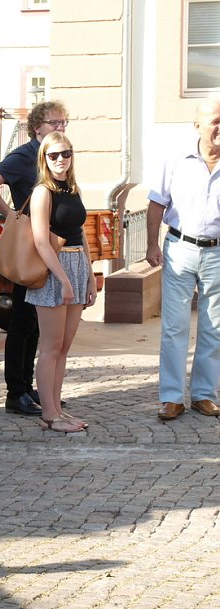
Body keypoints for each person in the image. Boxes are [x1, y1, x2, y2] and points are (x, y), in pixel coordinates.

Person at [0, 101, 69, 417]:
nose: (61, 128)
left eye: (64, 122)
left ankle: (30, 389)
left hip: (50, 249)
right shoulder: (24, 156)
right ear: (37, 127)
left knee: (38, 324)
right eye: (55, 122)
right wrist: (12, 216)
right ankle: (15, 393)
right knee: (23, 323)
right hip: (30, 248)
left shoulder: (55, 155)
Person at [146, 98, 220, 421]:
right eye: (215, 120)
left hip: (217, 252)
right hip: (180, 249)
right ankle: (172, 397)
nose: (219, 127)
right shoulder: (176, 159)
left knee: (214, 327)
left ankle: (204, 394)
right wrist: (151, 245)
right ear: (198, 126)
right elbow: (156, 204)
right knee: (175, 326)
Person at [25, 132, 94, 432]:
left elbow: (81, 234)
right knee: (51, 347)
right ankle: (49, 415)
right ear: (44, 158)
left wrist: (89, 275)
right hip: (55, 268)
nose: (60, 160)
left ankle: (57, 408)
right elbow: (41, 241)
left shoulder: (73, 188)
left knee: (64, 347)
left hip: (77, 264)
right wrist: (64, 280)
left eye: (65, 153)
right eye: (53, 155)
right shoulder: (43, 191)